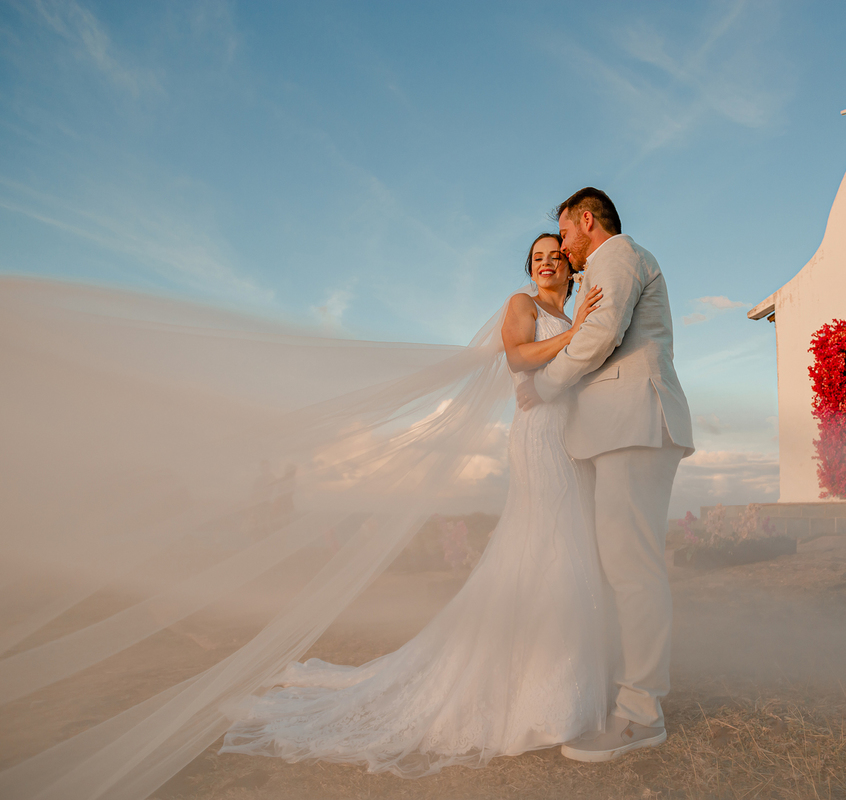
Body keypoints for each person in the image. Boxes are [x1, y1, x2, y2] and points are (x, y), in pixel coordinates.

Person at [218, 233, 610, 776]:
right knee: (548, 547)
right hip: (538, 436)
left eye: (554, 255)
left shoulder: (571, 313)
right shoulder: (522, 306)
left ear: (570, 265)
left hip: (571, 438)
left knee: (565, 548)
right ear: (531, 268)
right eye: (536, 257)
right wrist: (578, 336)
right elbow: (519, 359)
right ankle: (541, 696)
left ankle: (558, 682)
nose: (545, 263)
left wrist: (583, 329)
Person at [517, 187, 694, 762]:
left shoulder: (616, 255)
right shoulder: (608, 260)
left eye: (564, 233)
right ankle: (622, 692)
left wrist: (542, 388)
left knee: (632, 568)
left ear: (586, 221)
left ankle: (641, 715)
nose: (562, 248)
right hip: (616, 431)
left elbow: (599, 336)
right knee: (616, 568)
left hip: (633, 427)